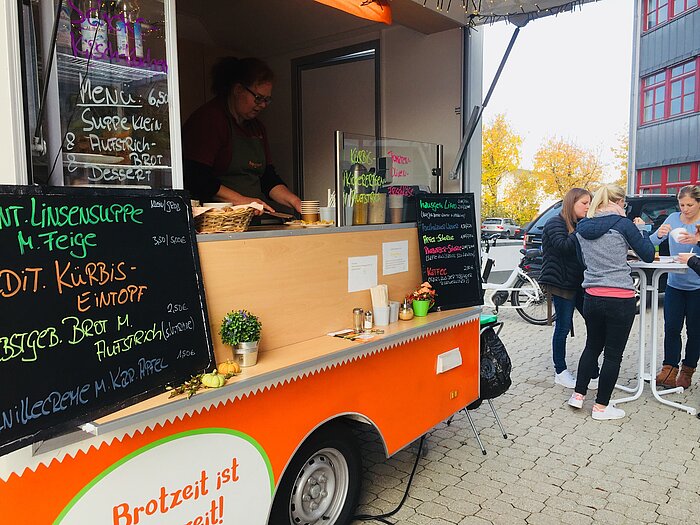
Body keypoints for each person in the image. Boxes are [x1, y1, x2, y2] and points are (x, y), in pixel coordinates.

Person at [568, 184, 654, 420]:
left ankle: (578, 395)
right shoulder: (623, 224)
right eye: (624, 203)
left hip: (592, 295)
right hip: (620, 297)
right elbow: (647, 254)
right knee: (613, 355)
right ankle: (601, 407)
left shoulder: (582, 226)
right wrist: (642, 231)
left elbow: (583, 260)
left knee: (592, 346)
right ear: (618, 202)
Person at [182, 57, 302, 215]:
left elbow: (267, 178)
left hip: (251, 216)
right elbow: (197, 178)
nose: (263, 105)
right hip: (221, 220)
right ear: (238, 90)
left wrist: (296, 202)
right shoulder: (210, 119)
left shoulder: (257, 128)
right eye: (258, 98)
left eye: (267, 100)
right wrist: (242, 200)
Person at [539, 188, 596, 389]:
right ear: (572, 203)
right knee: (562, 327)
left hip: (580, 283)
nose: (588, 207)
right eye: (584, 203)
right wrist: (583, 228)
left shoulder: (580, 224)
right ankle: (560, 371)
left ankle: (593, 371)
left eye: (590, 203)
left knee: (594, 323)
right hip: (560, 283)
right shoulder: (555, 223)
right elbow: (563, 246)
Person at [651, 185, 700, 389]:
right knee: (671, 327)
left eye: (690, 205)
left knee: (695, 331)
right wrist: (659, 234)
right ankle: (669, 369)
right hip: (674, 284)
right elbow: (650, 242)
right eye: (682, 205)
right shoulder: (672, 218)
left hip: (697, 287)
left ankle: (687, 370)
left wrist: (697, 240)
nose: (685, 209)